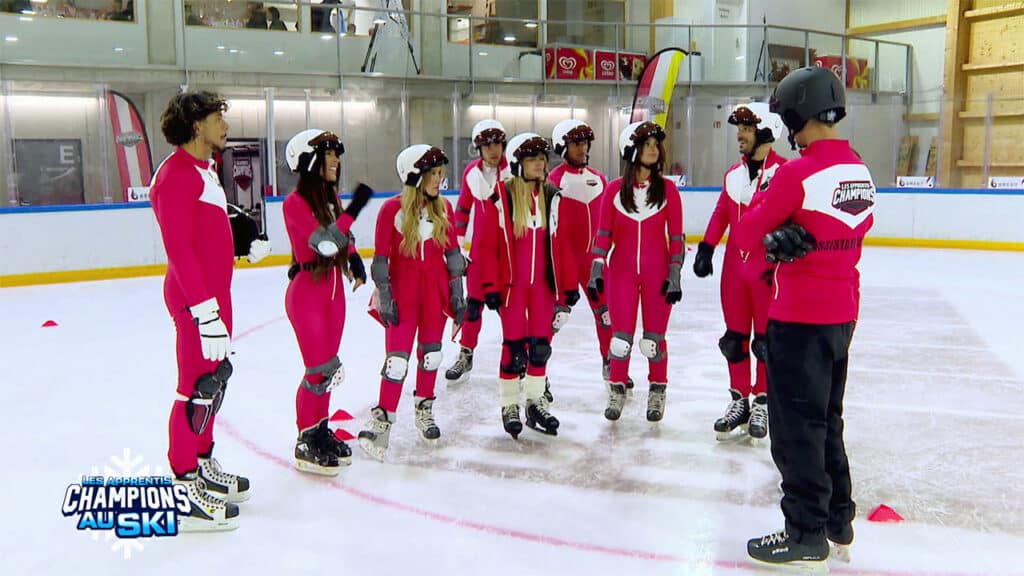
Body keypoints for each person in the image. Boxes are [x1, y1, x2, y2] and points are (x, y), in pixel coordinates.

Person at [733, 67, 876, 568]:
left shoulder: (797, 173)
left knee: (797, 429)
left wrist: (773, 242)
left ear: (796, 114)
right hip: (843, 317)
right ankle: (839, 518)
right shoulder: (858, 168)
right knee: (827, 420)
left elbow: (747, 235)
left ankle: (805, 530)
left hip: (798, 319)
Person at [150, 91, 248, 531]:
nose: (224, 126)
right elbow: (180, 249)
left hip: (213, 295)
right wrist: (204, 312)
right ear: (195, 126)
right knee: (194, 389)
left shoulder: (203, 170)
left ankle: (203, 461)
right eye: (216, 118)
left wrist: (242, 240)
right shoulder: (174, 177)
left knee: (214, 385)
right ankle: (182, 482)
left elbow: (208, 227)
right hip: (195, 299)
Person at [358, 145, 465, 461]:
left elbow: (454, 255)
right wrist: (385, 294)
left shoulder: (443, 207)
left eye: (440, 173)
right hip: (403, 295)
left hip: (434, 293)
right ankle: (383, 422)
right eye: (432, 174)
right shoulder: (391, 210)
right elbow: (380, 259)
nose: (439, 179)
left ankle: (424, 409)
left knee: (431, 356)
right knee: (397, 362)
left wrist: (457, 292)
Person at [693, 102, 787, 442]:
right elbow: (722, 212)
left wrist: (781, 263)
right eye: (739, 129)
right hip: (734, 270)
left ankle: (762, 401)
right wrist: (706, 246)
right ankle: (739, 400)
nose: (740, 135)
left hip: (767, 272)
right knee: (735, 340)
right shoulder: (733, 174)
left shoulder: (785, 174)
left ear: (765, 131)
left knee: (764, 341)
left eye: (746, 128)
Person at [282, 129, 374, 474]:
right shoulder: (295, 203)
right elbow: (324, 243)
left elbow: (341, 239)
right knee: (316, 370)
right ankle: (305, 438)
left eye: (337, 153)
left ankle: (319, 429)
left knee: (329, 369)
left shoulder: (329, 198)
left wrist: (354, 260)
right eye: (328, 153)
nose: (335, 159)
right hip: (308, 293)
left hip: (333, 292)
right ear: (308, 160)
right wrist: (355, 208)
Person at [477, 133, 575, 438]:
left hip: (543, 288)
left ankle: (534, 403)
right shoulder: (501, 197)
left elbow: (562, 244)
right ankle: (509, 404)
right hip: (512, 288)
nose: (541, 164)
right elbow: (485, 245)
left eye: (542, 158)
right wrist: (490, 285)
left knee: (540, 348)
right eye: (533, 159)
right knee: (515, 348)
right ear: (519, 164)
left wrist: (569, 284)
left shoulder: (551, 196)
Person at [587, 121, 684, 422]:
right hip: (622, 273)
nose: (654, 149)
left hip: (658, 274)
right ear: (632, 150)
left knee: (654, 338)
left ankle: (657, 390)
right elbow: (603, 234)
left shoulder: (668, 190)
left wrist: (675, 272)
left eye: (657, 144)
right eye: (647, 144)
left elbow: (677, 237)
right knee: (620, 338)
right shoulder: (615, 190)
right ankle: (617, 388)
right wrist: (596, 267)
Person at [547, 119, 629, 389]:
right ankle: (535, 368)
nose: (582, 148)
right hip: (566, 263)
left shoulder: (600, 178)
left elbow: (610, 220)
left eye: (584, 143)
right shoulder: (554, 182)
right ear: (562, 147)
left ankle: (610, 363)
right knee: (556, 317)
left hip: (595, 262)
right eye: (576, 144)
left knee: (607, 315)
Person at [445, 119, 510, 386]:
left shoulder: (515, 172)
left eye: (497, 144)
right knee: (473, 308)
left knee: (511, 310)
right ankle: (466, 353)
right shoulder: (472, 173)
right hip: (481, 255)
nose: (493, 150)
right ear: (478, 148)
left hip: (508, 254)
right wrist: (458, 246)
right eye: (487, 145)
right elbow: (462, 210)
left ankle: (517, 356)